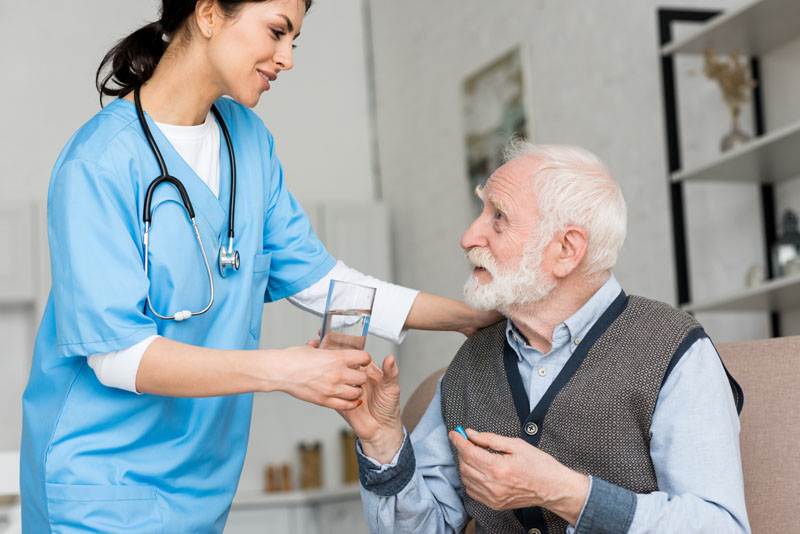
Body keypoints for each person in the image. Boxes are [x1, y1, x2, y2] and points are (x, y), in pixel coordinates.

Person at [19, 1, 499, 532]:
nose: (286, 58)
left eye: (294, 40)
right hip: (100, 485)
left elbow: (323, 283)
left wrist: (470, 319)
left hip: (199, 484)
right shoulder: (99, 162)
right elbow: (117, 356)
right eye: (276, 32)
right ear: (207, 14)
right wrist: (284, 371)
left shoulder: (247, 140)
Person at [343, 142, 751, 534]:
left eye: (498, 216)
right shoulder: (472, 362)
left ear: (565, 249)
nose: (468, 237)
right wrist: (383, 444)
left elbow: (719, 527)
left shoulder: (674, 349)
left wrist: (566, 494)